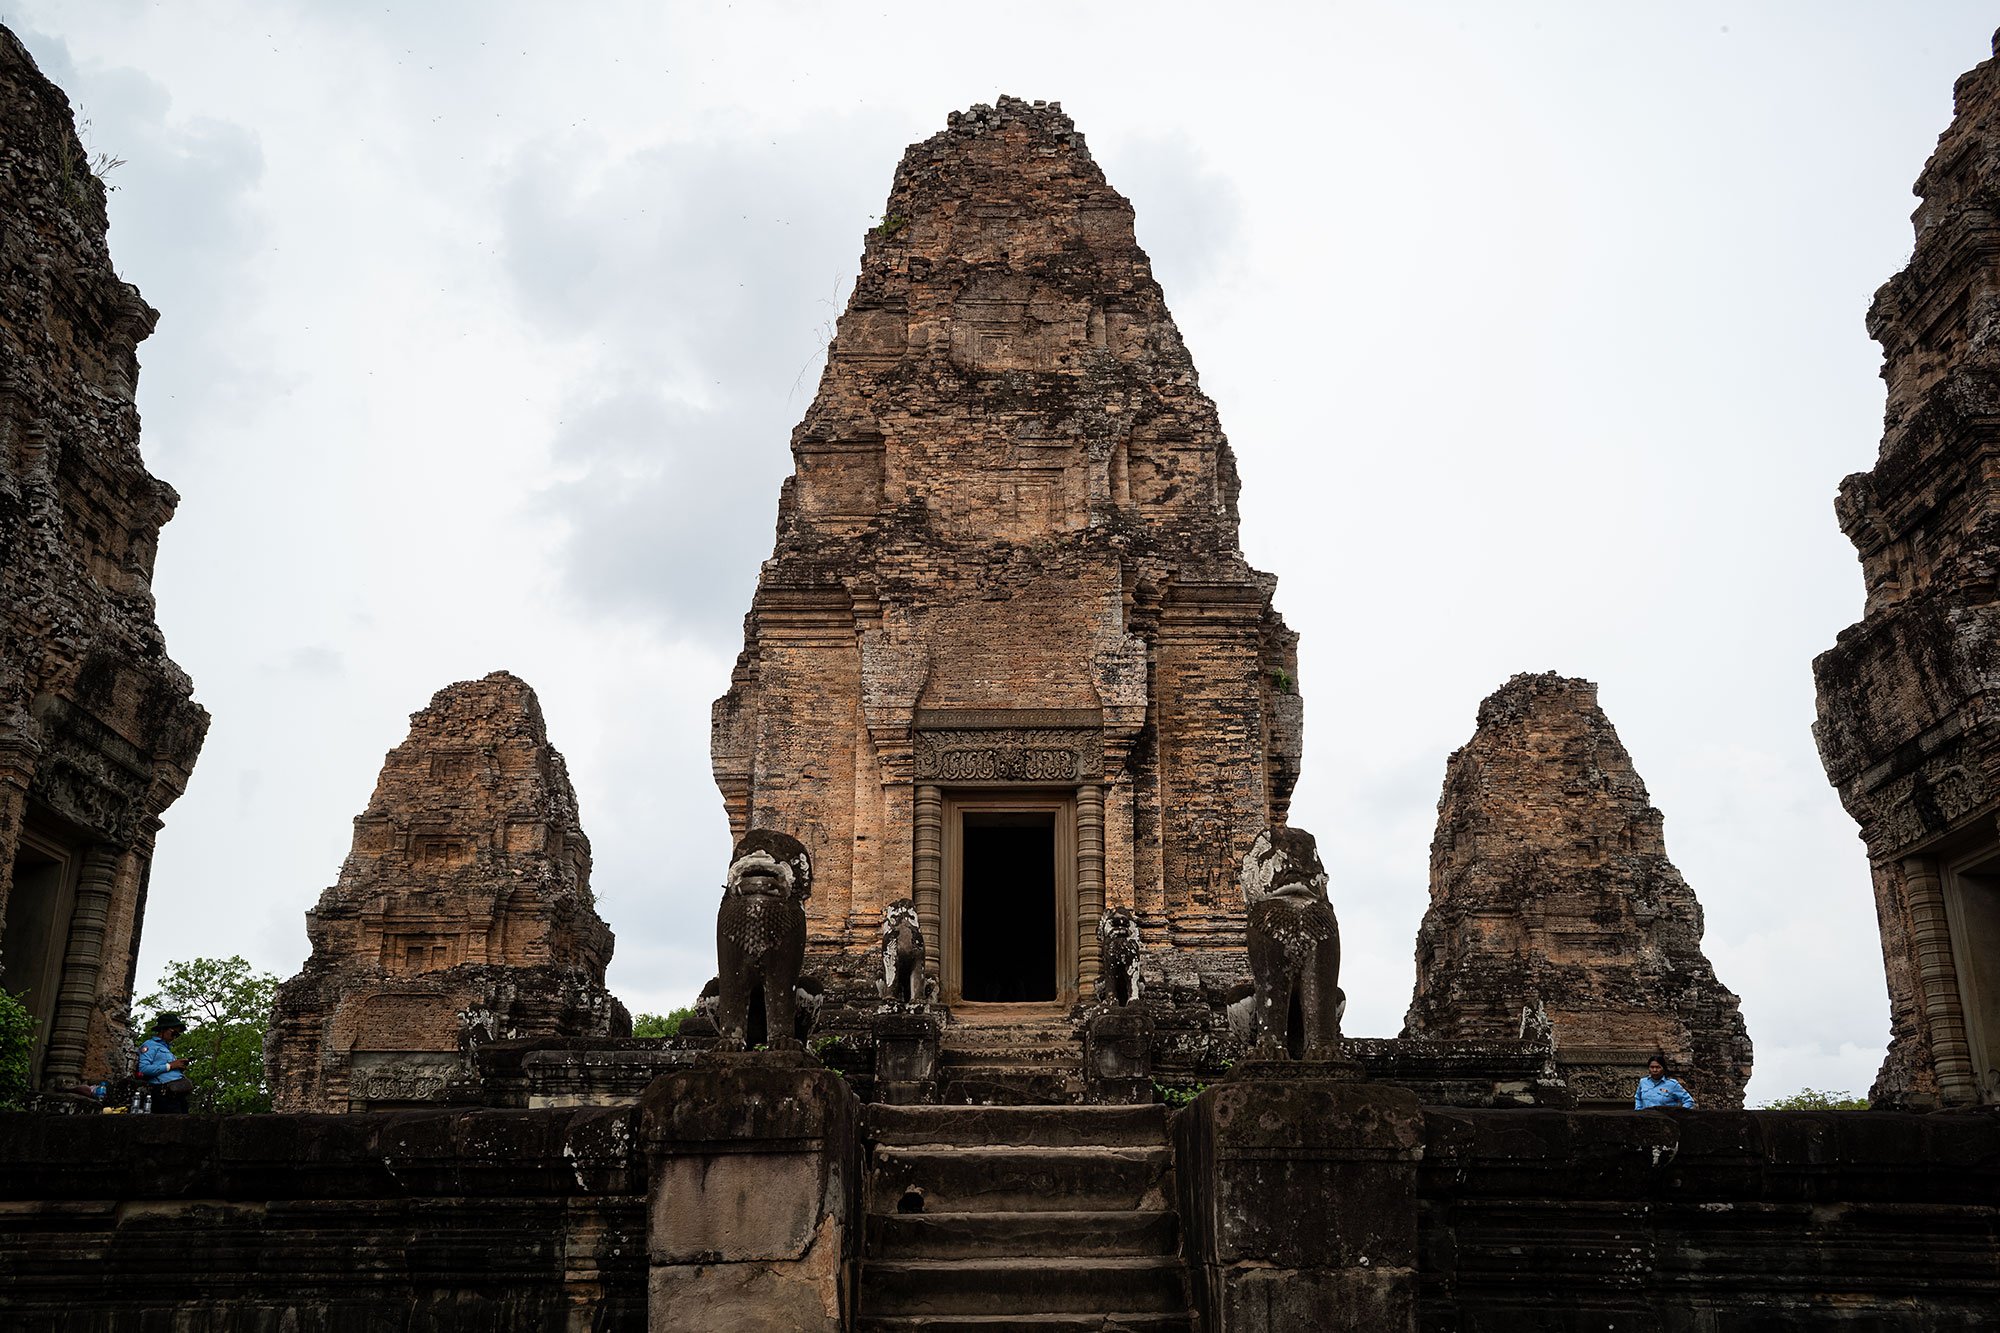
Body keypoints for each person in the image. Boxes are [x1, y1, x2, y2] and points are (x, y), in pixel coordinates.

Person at [137, 1013, 193, 1114]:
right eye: (174, 1033)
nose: (175, 1037)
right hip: (164, 1093)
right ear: (164, 1029)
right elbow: (143, 1069)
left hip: (178, 1093)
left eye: (177, 1035)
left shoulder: (166, 1049)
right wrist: (170, 1066)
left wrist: (178, 1066)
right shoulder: (150, 1045)